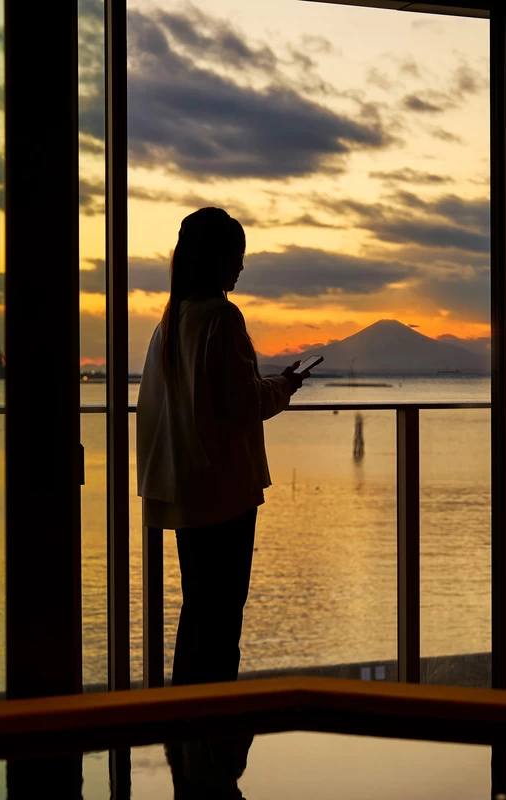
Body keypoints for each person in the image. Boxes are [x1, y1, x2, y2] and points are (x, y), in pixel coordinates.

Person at [136, 207, 310, 686]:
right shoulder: (221, 317)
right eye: (236, 255)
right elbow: (243, 402)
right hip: (222, 493)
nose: (240, 266)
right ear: (215, 258)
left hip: (182, 489)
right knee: (223, 617)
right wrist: (284, 387)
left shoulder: (170, 323)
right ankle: (216, 732)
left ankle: (188, 725)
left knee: (198, 614)